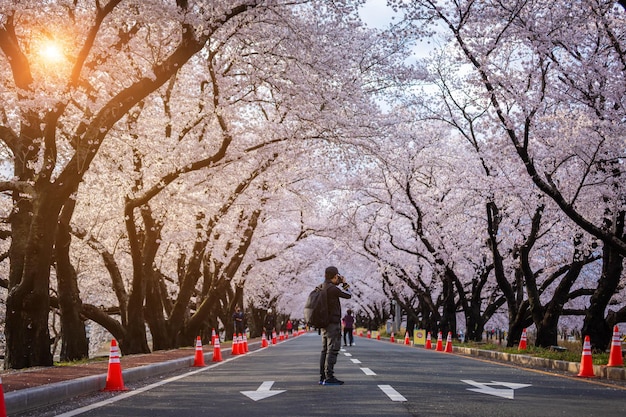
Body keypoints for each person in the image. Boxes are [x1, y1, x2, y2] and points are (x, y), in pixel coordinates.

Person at [319, 266, 352, 385]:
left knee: (324, 350)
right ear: (335, 276)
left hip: (323, 324)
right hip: (333, 324)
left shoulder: (321, 287)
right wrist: (344, 283)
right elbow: (348, 295)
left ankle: (322, 376)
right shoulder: (333, 289)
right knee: (332, 349)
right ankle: (329, 377)